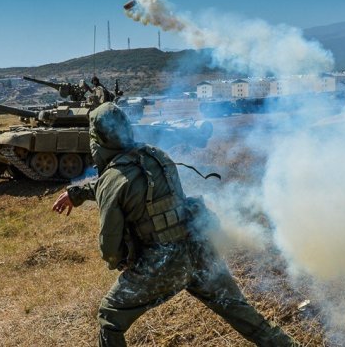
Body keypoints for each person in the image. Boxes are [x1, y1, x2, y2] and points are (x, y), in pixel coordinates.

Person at [52, 102, 296, 347]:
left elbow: (109, 245)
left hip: (163, 263)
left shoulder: (113, 180)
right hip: (199, 247)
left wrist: (121, 263)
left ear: (98, 140)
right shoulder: (155, 155)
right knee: (238, 310)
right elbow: (121, 184)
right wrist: (78, 193)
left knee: (109, 316)